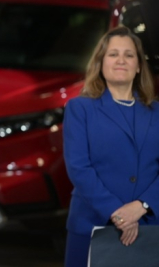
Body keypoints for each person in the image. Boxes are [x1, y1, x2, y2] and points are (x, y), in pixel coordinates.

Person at [63, 26, 159, 266]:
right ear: (101, 63)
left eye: (129, 55)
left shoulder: (157, 112)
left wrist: (142, 206)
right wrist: (118, 213)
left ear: (138, 66)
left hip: (149, 225)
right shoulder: (79, 108)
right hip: (92, 224)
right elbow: (79, 168)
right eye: (113, 54)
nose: (121, 60)